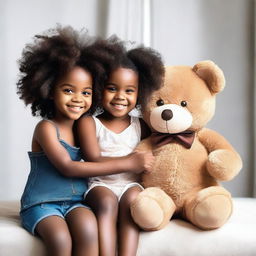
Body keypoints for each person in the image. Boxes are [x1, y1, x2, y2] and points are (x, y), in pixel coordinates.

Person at [17, 26, 154, 256]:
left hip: (75, 202)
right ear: (50, 89)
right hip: (42, 203)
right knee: (60, 240)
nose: (78, 99)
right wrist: (129, 163)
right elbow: (69, 167)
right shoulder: (46, 128)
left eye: (86, 92)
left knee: (89, 230)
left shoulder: (85, 124)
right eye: (69, 90)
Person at [77, 41, 165, 256]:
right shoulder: (89, 123)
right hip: (99, 185)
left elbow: (155, 153)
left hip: (130, 184)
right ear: (99, 88)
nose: (120, 96)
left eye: (129, 90)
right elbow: (93, 160)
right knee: (107, 202)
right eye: (112, 88)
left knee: (133, 201)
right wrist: (130, 162)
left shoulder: (140, 125)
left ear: (140, 93)